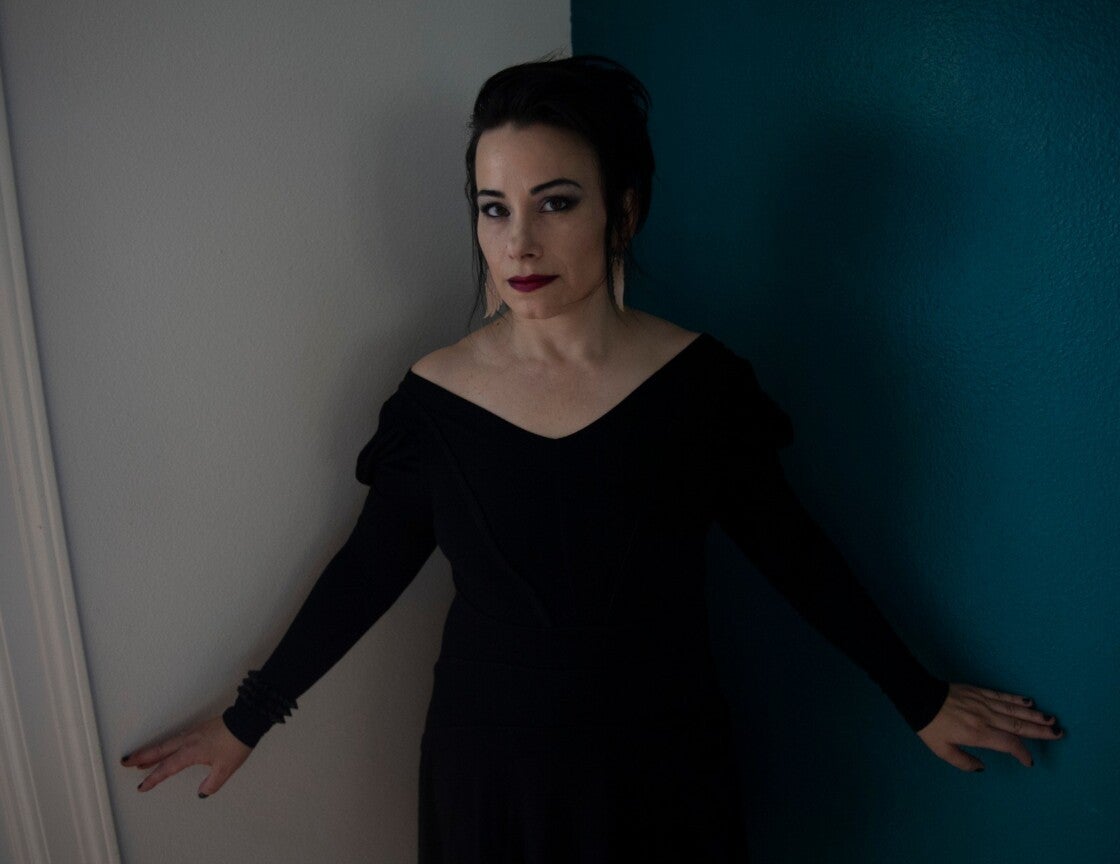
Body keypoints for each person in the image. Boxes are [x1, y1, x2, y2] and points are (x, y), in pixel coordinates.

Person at [122, 55, 1063, 861]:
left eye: (556, 203)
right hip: (491, 777)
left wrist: (918, 695)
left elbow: (792, 551)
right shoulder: (433, 400)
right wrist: (248, 718)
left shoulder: (703, 386)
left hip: (667, 768)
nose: (518, 243)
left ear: (625, 210)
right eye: (494, 209)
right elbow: (368, 569)